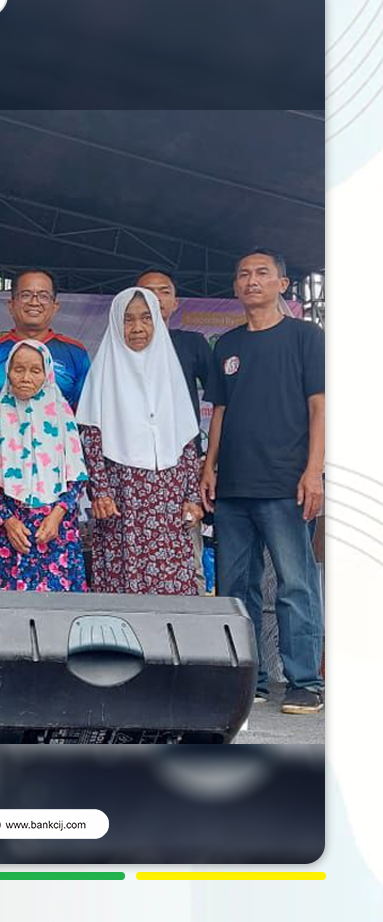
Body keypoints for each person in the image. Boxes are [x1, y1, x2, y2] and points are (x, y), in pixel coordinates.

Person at [201, 249, 325, 714]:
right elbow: (220, 411)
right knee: (236, 588)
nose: (251, 281)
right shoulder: (227, 345)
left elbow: (320, 406)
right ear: (235, 286)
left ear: (282, 284)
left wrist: (314, 470)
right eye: (243, 275)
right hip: (233, 487)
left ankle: (304, 681)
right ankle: (245, 679)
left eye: (262, 273)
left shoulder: (306, 337)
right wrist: (209, 466)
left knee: (295, 585)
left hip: (286, 484)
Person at [76, 287, 203, 594]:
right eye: (128, 319)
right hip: (122, 495)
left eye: (146, 318)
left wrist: (192, 497)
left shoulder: (169, 371)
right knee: (123, 579)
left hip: (168, 498)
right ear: (116, 324)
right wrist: (101, 493)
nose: (137, 328)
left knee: (171, 581)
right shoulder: (103, 373)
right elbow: (91, 438)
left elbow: (187, 440)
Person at [0, 271, 91, 590]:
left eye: (42, 295)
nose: (26, 377)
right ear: (11, 303)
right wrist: (7, 519)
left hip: (56, 519)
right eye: (26, 294)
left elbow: (78, 463)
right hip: (5, 513)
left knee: (60, 606)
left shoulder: (74, 358)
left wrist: (57, 513)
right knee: (2, 598)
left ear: (55, 304)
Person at [135, 269, 214, 593]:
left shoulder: (191, 343)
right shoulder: (121, 349)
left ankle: (193, 622)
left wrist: (209, 461)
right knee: (136, 559)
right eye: (146, 292)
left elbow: (223, 401)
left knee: (187, 556)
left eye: (163, 291)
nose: (155, 298)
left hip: (183, 469)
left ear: (175, 302)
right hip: (134, 472)